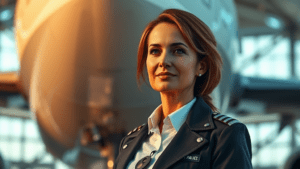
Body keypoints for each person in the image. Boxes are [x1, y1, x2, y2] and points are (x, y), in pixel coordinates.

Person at [114, 8, 252, 169]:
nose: (163, 61)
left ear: (201, 66)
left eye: (178, 51)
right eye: (155, 51)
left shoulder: (225, 136)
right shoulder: (130, 142)